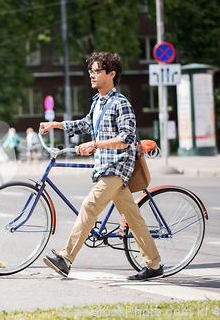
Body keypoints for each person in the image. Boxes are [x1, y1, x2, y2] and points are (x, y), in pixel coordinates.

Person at [39, 51, 163, 281]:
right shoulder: (98, 101)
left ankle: (65, 259)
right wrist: (55, 124)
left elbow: (126, 139)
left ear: (112, 74)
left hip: (116, 168)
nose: (92, 75)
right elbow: (85, 123)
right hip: (104, 168)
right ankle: (154, 264)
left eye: (97, 71)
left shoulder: (121, 103)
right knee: (134, 220)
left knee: (89, 206)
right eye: (91, 71)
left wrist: (95, 144)